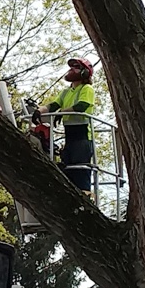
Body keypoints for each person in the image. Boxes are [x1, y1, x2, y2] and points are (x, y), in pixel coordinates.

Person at [31, 58, 95, 193]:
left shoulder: (86, 88)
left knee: (80, 170)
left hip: (82, 137)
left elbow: (81, 106)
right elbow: (53, 105)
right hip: (70, 137)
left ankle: (85, 197)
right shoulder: (66, 92)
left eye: (76, 67)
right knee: (68, 169)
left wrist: (61, 112)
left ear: (84, 72)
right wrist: (39, 111)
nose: (71, 69)